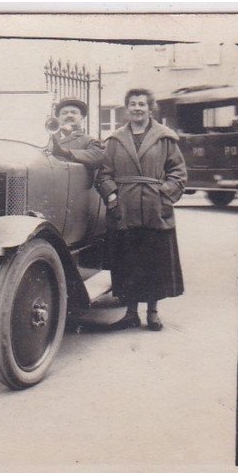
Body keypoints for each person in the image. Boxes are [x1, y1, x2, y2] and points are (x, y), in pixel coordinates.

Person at [96, 88, 186, 331]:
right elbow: (104, 174)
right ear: (127, 109)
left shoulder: (165, 138)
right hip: (124, 209)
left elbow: (178, 173)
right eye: (133, 104)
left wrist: (163, 196)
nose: (137, 108)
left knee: (153, 262)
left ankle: (153, 313)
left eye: (142, 104)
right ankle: (130, 313)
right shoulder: (115, 140)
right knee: (128, 261)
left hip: (154, 208)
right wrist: (113, 197)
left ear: (150, 108)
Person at [47, 98, 104, 171]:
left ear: (82, 117)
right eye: (64, 113)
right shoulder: (48, 138)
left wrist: (66, 152)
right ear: (58, 117)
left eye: (74, 112)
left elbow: (97, 157)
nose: (69, 115)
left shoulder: (89, 141)